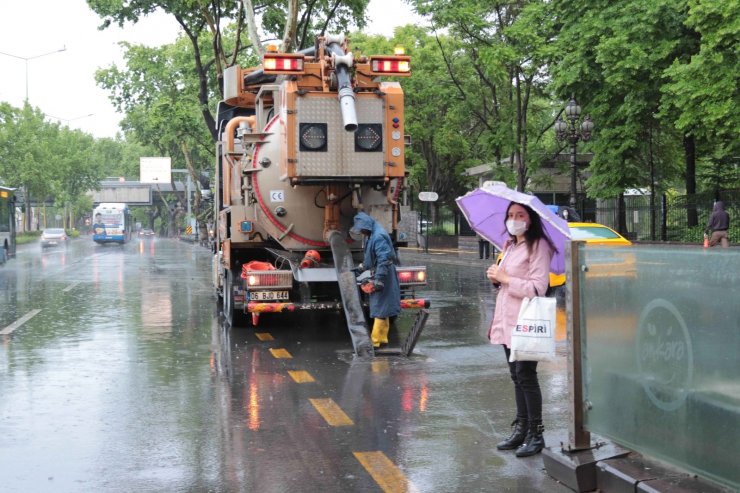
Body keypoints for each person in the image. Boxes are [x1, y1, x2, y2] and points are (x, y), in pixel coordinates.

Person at [486, 201, 556, 458]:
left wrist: (505, 279)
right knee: (516, 377)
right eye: (510, 215)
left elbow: (538, 288)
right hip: (506, 322)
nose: (514, 219)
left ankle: (536, 434)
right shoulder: (509, 245)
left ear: (531, 218)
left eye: (520, 214)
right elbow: (507, 284)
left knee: (526, 377)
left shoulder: (539, 246)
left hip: (525, 324)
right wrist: (497, 279)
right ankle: (522, 429)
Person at [351, 212, 401, 348]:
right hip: (381, 271)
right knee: (384, 307)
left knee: (380, 307)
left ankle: (375, 342)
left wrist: (379, 280)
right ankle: (382, 339)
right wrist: (361, 268)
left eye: (361, 228)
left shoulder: (378, 236)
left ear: (366, 226)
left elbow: (383, 259)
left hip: (384, 273)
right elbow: (371, 257)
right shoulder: (371, 234)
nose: (360, 231)